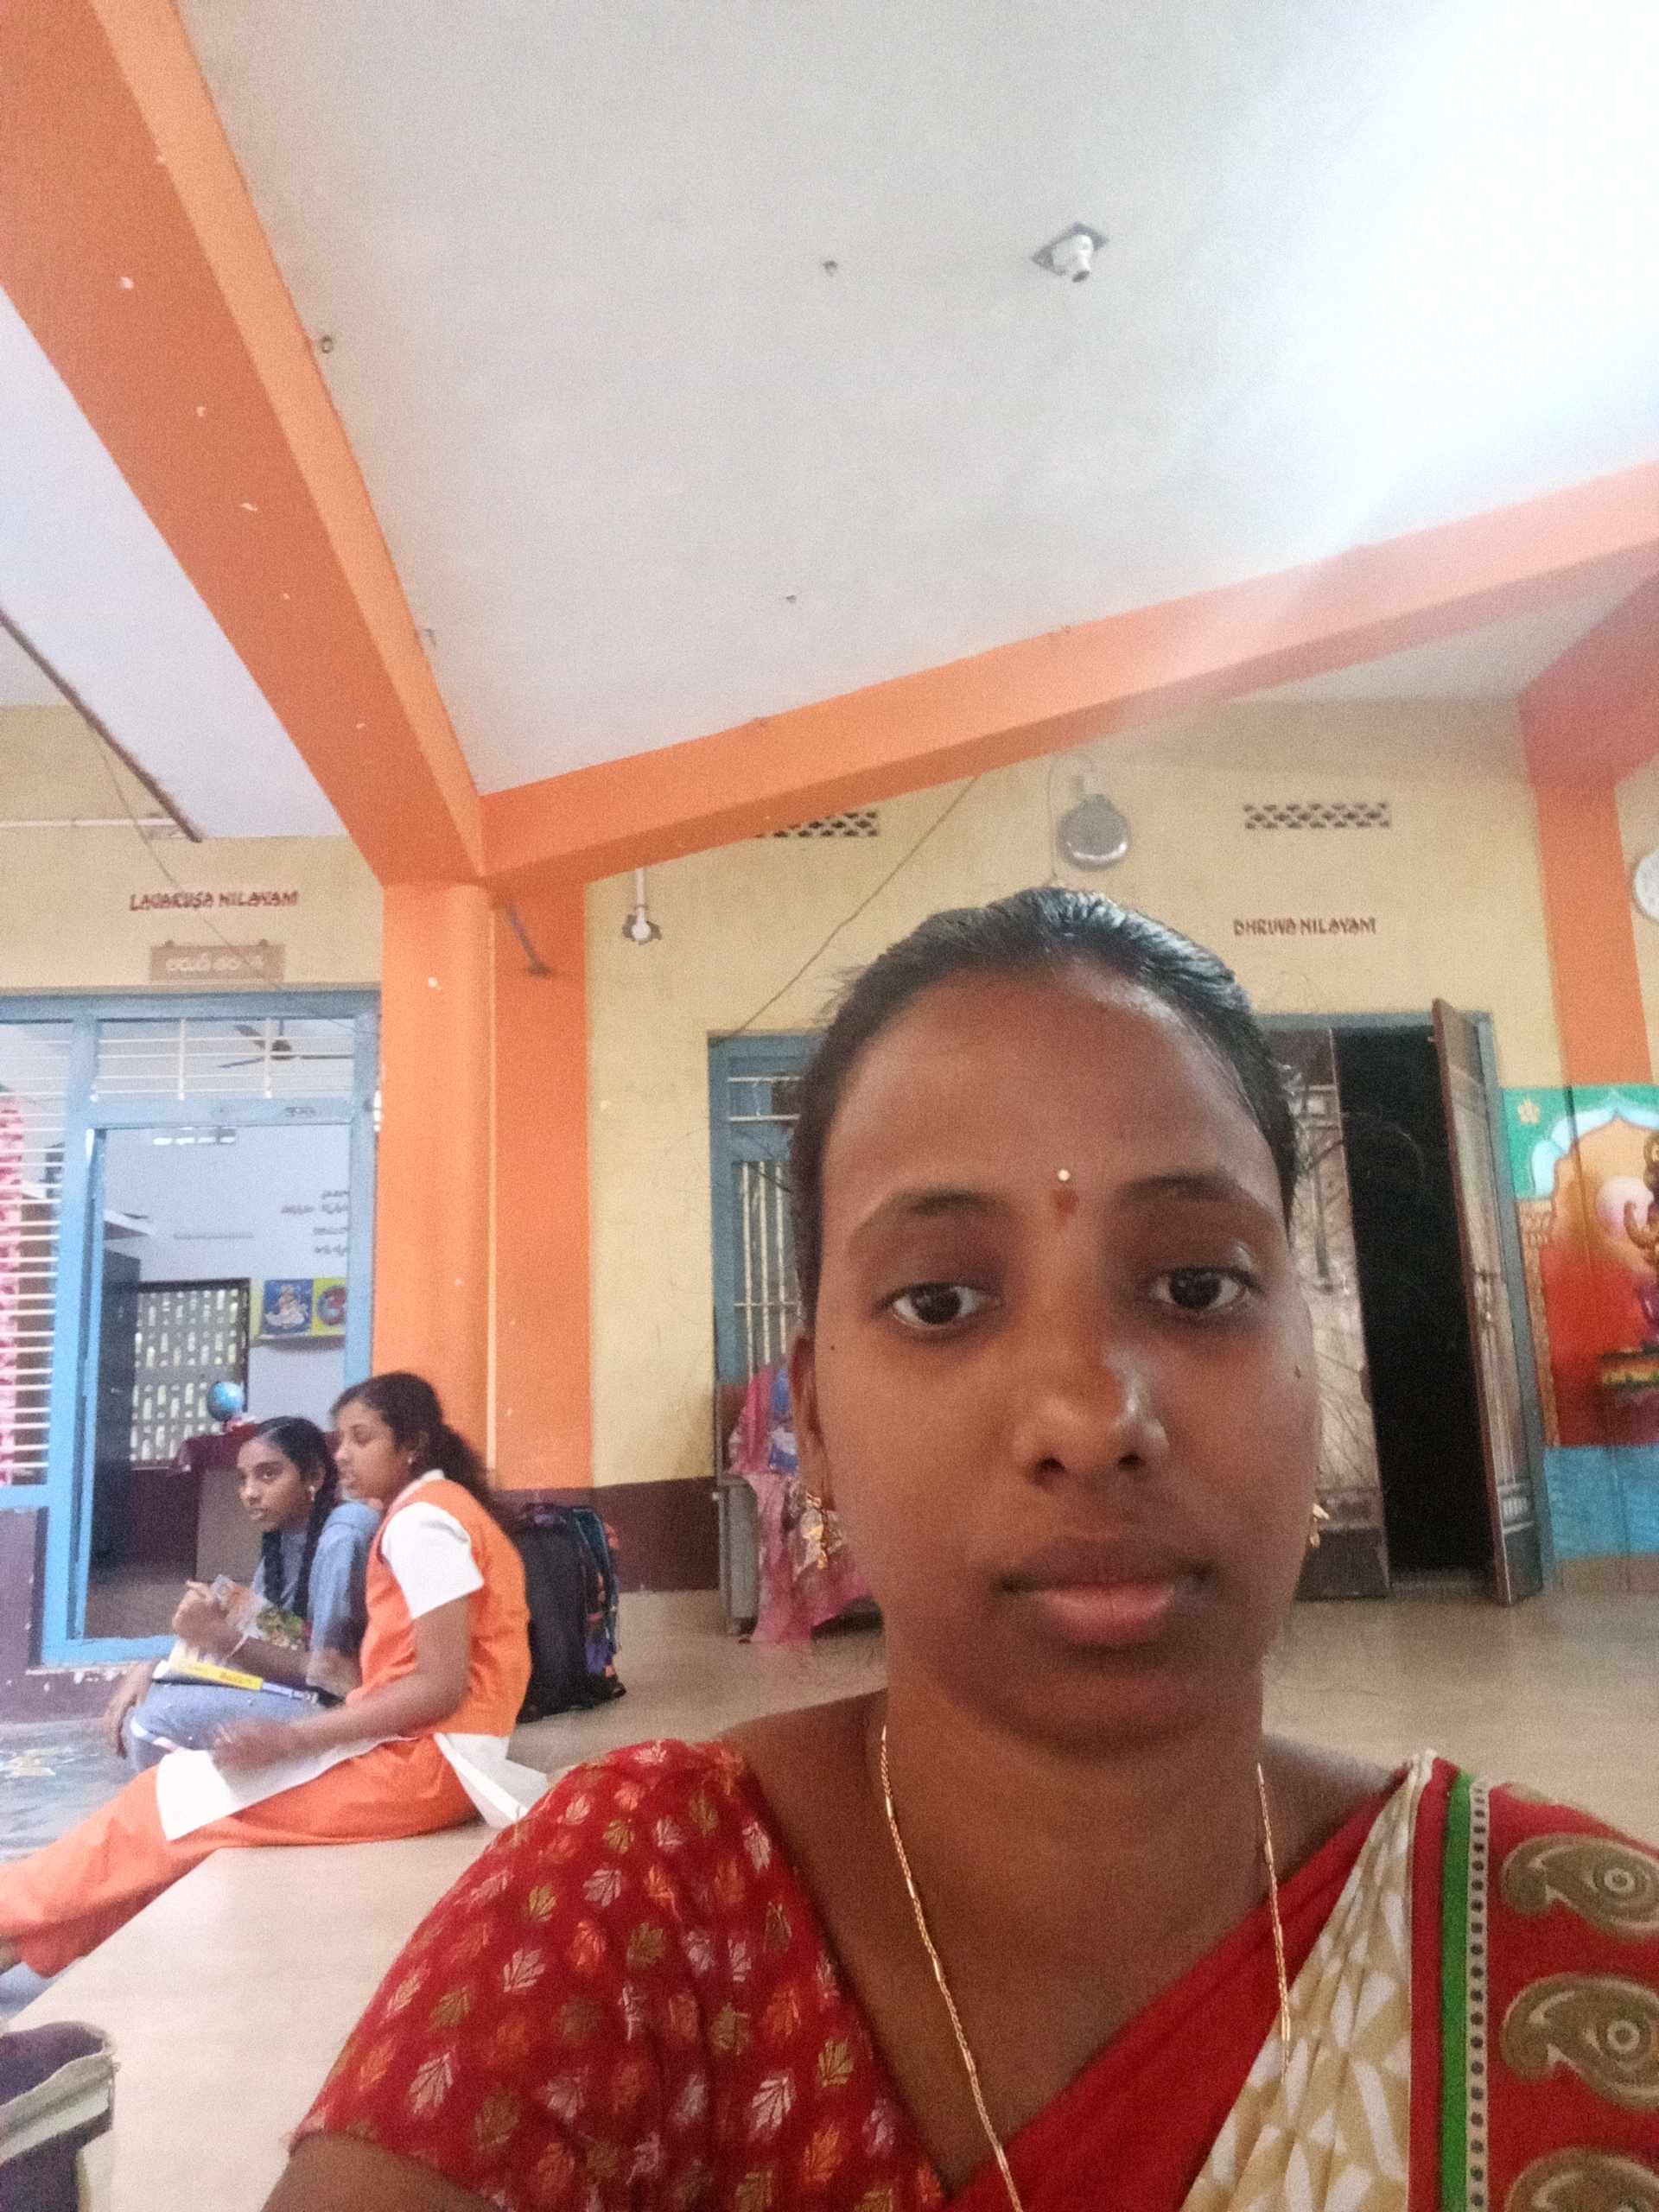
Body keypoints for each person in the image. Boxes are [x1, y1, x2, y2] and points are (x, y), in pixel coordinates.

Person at [269, 891, 1659, 2211]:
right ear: (814, 1413)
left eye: (1197, 1285)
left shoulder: (1577, 1959)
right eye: (939, 1301)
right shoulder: (625, 1916)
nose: (1091, 1422)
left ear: (1311, 1349)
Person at [0, 1371, 542, 1982]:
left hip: (427, 1764)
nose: (343, 1455)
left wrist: (293, 1738)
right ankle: (16, 1945)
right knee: (179, 1814)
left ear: (411, 1445)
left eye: (361, 1438)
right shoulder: (427, 1512)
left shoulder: (417, 1523)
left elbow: (437, 1687)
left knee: (164, 1801)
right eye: (340, 1439)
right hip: (424, 1755)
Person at [105, 1415, 379, 1770]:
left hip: (349, 1717)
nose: (250, 1492)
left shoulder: (343, 1535)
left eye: (268, 1475)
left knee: (150, 1725)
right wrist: (157, 1666)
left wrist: (219, 1636)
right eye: (243, 1479)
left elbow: (335, 1677)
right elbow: (274, 1646)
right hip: (307, 1698)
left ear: (313, 1476)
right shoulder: (282, 1541)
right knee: (148, 1697)